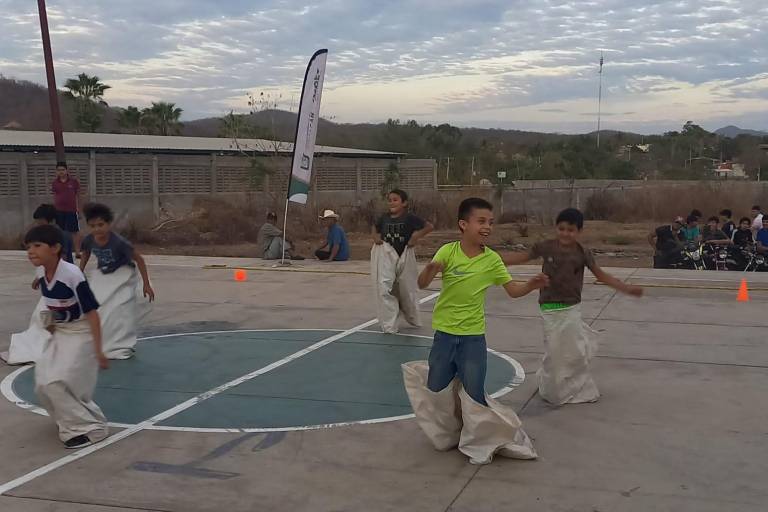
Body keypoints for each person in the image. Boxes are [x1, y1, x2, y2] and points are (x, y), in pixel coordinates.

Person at [405, 197, 547, 465]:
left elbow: (513, 290)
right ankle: (449, 432)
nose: (487, 227)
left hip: (473, 337)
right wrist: (431, 269)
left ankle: (477, 442)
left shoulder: (492, 260)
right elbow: (422, 284)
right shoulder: (448, 252)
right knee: (437, 387)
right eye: (481, 221)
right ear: (463, 224)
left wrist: (531, 284)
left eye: (490, 223)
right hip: (445, 335)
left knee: (474, 392)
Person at [503, 208, 642, 406]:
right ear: (556, 228)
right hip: (550, 308)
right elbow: (521, 258)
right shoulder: (546, 247)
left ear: (579, 231)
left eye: (571, 230)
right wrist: (490, 258)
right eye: (561, 229)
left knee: (573, 352)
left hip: (571, 309)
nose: (565, 234)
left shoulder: (582, 253)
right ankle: (552, 389)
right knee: (554, 352)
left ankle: (575, 387)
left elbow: (601, 276)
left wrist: (626, 288)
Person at [24, 224, 109, 449]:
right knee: (42, 382)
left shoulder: (72, 275)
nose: (31, 251)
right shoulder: (41, 270)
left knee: (57, 382)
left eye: (37, 246)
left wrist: (99, 351)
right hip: (60, 331)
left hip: (81, 332)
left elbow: (92, 313)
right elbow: (45, 289)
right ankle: (68, 420)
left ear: (55, 248)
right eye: (28, 247)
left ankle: (92, 429)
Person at [79, 203, 154, 359]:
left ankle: (120, 343)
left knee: (119, 308)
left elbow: (139, 260)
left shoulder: (119, 242)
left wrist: (146, 284)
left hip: (123, 274)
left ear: (109, 224)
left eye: (101, 225)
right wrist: (79, 272)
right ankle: (100, 341)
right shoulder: (88, 240)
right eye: (92, 226)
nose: (97, 229)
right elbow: (85, 253)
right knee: (97, 306)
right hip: (103, 274)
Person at [371, 189, 434, 333]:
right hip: (387, 255)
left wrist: (415, 237)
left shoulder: (409, 218)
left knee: (406, 289)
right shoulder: (385, 218)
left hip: (404, 255)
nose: (391, 203)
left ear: (404, 203)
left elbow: (429, 226)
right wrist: (375, 237)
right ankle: (389, 324)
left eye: (395, 200)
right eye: (390, 200)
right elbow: (374, 227)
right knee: (384, 287)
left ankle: (411, 316)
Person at [51, 162, 82, 258]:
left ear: (67, 170)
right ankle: (61, 251)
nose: (61, 172)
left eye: (63, 170)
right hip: (59, 210)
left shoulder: (73, 182)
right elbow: (54, 196)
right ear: (56, 171)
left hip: (71, 210)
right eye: (59, 170)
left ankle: (77, 251)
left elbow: (79, 196)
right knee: (60, 231)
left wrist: (79, 208)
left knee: (74, 231)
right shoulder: (55, 183)